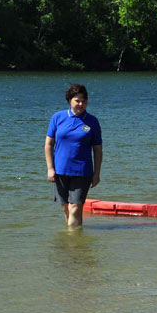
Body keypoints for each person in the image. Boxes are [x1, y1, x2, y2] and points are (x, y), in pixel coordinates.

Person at [45, 84, 103, 228]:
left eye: (84, 101)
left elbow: (98, 149)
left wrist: (96, 174)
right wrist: (50, 168)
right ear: (69, 100)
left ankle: (72, 242)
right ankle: (74, 242)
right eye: (77, 100)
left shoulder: (92, 121)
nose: (81, 104)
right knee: (66, 208)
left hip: (82, 171)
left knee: (76, 207)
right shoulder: (58, 117)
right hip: (60, 170)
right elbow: (48, 145)